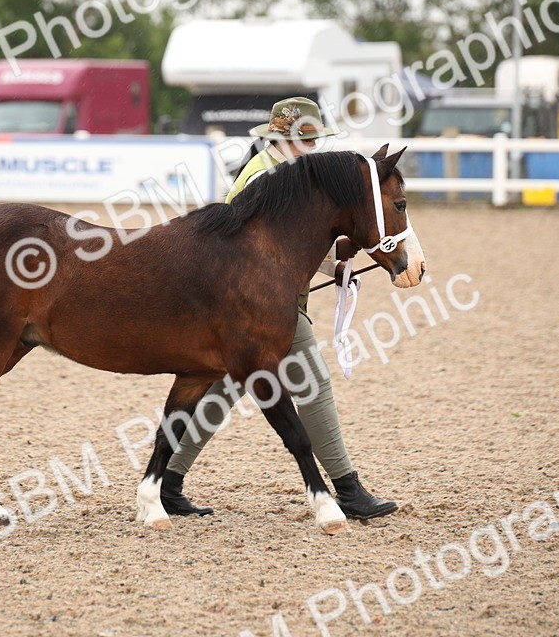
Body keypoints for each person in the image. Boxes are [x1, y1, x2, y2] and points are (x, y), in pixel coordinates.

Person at [161, 97, 398, 520]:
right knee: (313, 383)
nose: (309, 149)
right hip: (261, 306)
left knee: (222, 389)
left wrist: (336, 257)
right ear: (281, 138)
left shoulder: (285, 172)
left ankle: (168, 481)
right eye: (303, 141)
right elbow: (248, 245)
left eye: (311, 141)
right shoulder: (264, 176)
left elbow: (295, 240)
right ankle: (347, 489)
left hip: (258, 303)